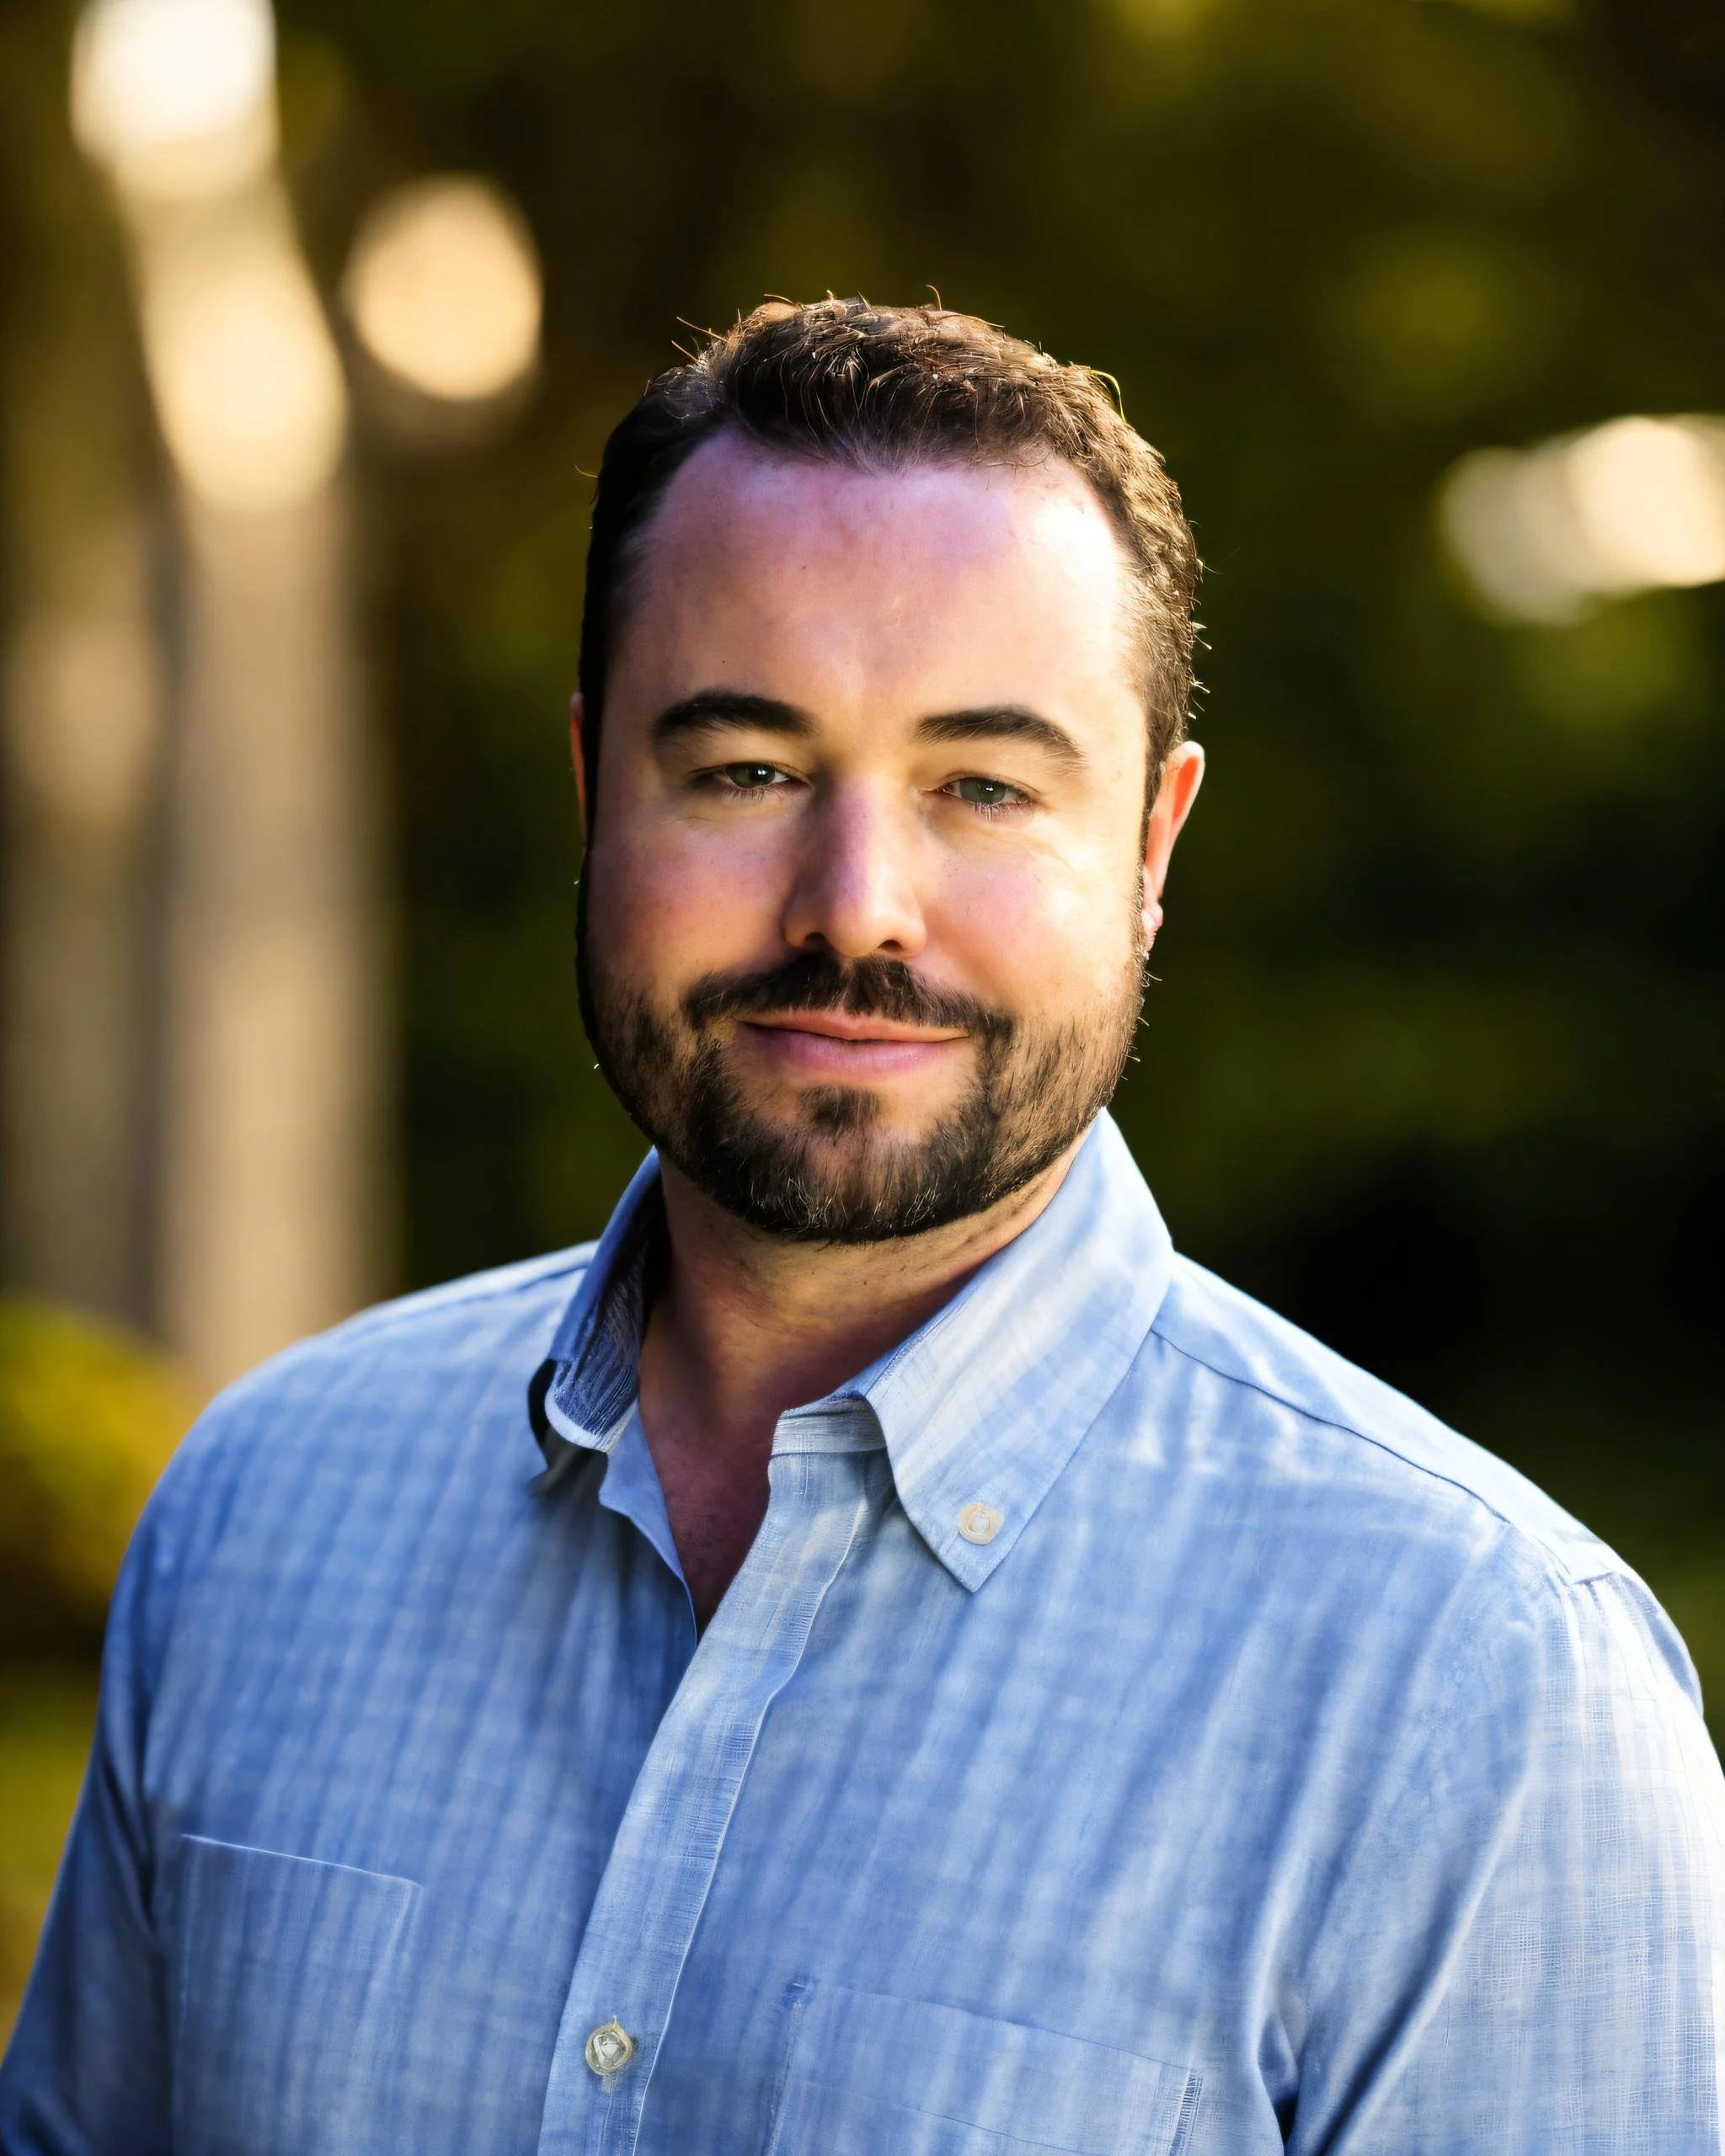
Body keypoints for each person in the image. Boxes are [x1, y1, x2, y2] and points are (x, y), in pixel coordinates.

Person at [3, 297, 1722, 2156]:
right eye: (744, 768)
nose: (856, 905)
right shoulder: (263, 1505)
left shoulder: (1477, 1688)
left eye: (982, 785)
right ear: (596, 790)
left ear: (1149, 850)